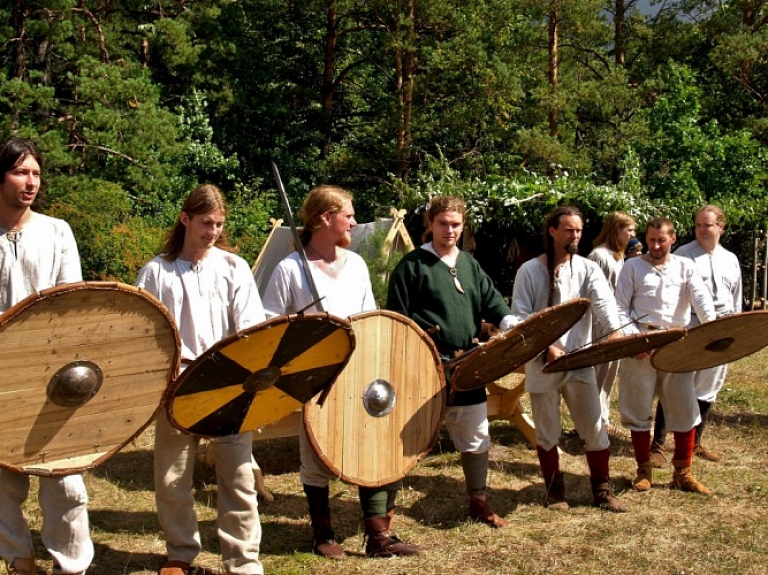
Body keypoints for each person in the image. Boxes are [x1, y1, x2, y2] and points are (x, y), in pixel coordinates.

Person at [261, 185, 420, 559]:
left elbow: (369, 317)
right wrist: (304, 327)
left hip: (360, 370)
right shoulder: (289, 269)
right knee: (316, 453)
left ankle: (379, 535)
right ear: (324, 218)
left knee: (372, 448)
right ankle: (323, 534)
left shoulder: (357, 265)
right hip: (313, 374)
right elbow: (268, 324)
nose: (354, 220)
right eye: (348, 214)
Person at [136, 184, 265, 575]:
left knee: (239, 476)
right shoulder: (157, 271)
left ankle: (243, 559)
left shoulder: (233, 267)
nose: (212, 231)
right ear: (185, 218)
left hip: (230, 382)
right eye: (206, 222)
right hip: (174, 384)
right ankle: (180, 552)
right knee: (173, 477)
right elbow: (143, 334)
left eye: (219, 224)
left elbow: (251, 328)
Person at [386, 195, 514, 529]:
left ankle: (479, 501)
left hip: (468, 364)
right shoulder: (412, 266)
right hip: (426, 368)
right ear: (430, 225)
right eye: (443, 223)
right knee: (408, 438)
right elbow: (397, 321)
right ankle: (385, 512)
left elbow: (491, 301)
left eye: (456, 224)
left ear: (463, 225)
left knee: (476, 434)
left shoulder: (469, 264)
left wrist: (509, 321)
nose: (450, 230)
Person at [0, 137, 93, 575]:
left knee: (65, 476)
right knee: (2, 477)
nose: (31, 181)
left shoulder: (57, 231)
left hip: (53, 369)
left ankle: (70, 563)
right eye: (21, 172)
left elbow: (69, 302)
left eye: (36, 173)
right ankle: (19, 558)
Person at [509, 206, 626, 513]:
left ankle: (602, 490)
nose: (575, 236)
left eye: (578, 230)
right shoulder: (530, 271)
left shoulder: (587, 268)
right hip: (542, 363)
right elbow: (521, 317)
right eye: (569, 230)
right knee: (547, 430)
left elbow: (603, 303)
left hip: (579, 361)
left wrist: (614, 333)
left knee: (593, 426)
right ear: (552, 231)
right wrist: (545, 347)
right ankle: (554, 491)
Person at [616, 217, 716, 495]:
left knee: (685, 409)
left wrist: (713, 333)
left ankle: (682, 473)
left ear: (673, 239)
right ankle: (643, 469)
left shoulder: (686, 267)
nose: (656, 245)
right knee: (637, 410)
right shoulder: (632, 267)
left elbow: (702, 302)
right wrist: (635, 340)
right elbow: (620, 308)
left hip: (676, 344)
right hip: (640, 346)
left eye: (662, 240)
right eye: (651, 240)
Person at [649, 206, 742, 466]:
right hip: (690, 326)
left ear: (721, 227)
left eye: (708, 225)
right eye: (699, 225)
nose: (702, 229)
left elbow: (736, 297)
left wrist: (735, 328)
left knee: (708, 386)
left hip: (722, 327)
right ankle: (658, 444)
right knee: (677, 385)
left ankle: (695, 442)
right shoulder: (683, 255)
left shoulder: (730, 259)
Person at [587, 211, 636, 435]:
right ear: (616, 229)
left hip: (616, 321)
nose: (632, 235)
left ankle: (602, 417)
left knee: (609, 373)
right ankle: (593, 421)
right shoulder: (599, 256)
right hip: (600, 323)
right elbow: (594, 293)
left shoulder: (618, 256)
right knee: (599, 371)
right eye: (629, 230)